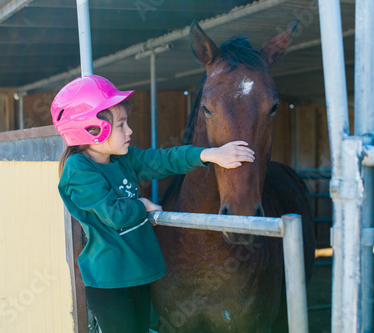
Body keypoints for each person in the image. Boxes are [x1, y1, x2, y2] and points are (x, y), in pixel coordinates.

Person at [52, 75, 255, 333]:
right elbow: (113, 214)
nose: (130, 131)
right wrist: (143, 206)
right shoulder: (79, 169)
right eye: (121, 125)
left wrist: (209, 154)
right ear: (93, 130)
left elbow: (163, 159)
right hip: (109, 280)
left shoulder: (123, 158)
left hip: (137, 272)